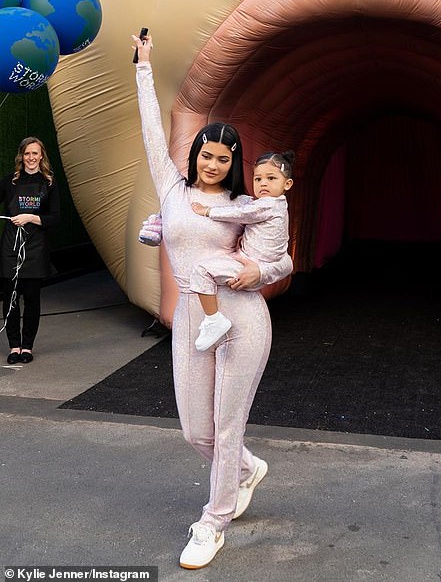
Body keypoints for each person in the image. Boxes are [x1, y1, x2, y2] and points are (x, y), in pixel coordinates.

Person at [133, 32, 292, 570]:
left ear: (234, 163)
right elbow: (153, 132)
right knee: (196, 430)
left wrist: (260, 269)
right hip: (193, 322)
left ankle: (214, 519)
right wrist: (144, 66)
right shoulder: (173, 191)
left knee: (226, 426)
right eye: (206, 154)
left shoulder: (247, 204)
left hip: (241, 319)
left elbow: (283, 259)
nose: (212, 164)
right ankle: (245, 469)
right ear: (196, 154)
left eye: (224, 159)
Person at [190, 150, 294, 351]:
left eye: (271, 178)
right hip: (251, 263)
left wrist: (208, 210)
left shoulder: (268, 205)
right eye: (258, 178)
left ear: (287, 184)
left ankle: (213, 319)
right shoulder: (278, 206)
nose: (263, 183)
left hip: (248, 266)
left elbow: (240, 213)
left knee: (201, 271)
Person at [0, 137, 60, 364]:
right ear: (21, 156)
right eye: (27, 153)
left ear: (41, 155)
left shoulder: (50, 183)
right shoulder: (10, 182)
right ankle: (14, 347)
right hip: (10, 249)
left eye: (35, 153)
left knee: (33, 300)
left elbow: (55, 218)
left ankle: (27, 347)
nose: (31, 157)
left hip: (36, 249)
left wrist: (31, 217)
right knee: (11, 300)